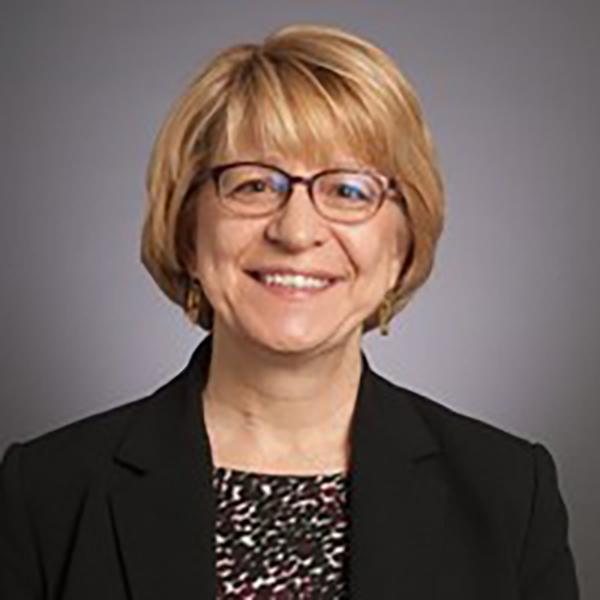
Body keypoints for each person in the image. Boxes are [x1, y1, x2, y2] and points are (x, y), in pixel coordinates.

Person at [0, 23, 579, 599]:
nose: (297, 230)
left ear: (402, 242)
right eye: (254, 185)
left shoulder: (508, 494)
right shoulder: (44, 494)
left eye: (348, 191)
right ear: (186, 231)